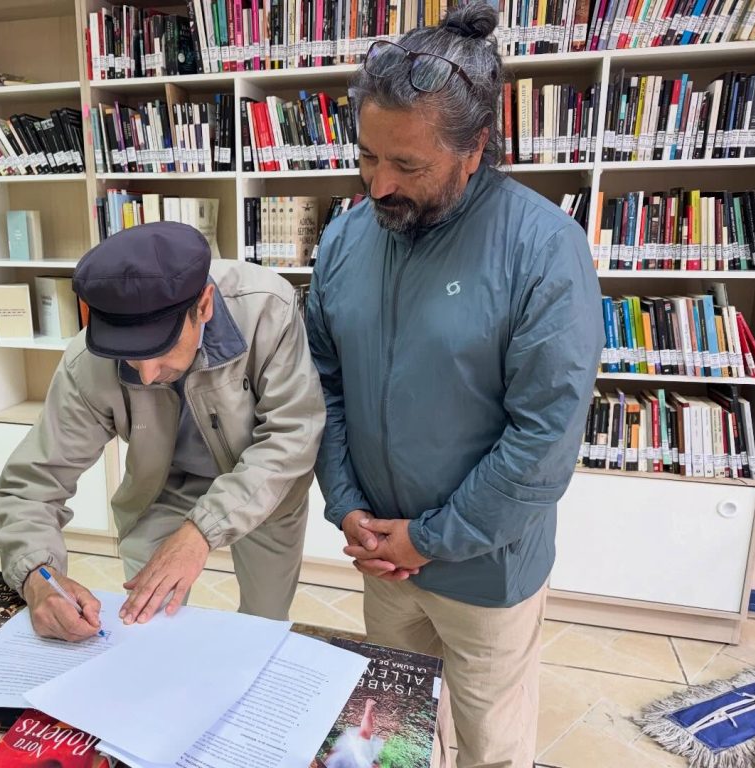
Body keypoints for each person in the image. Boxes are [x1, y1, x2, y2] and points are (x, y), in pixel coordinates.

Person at [306, 5, 605, 768]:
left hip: (486, 571)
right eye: (368, 156)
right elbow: (325, 387)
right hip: (381, 555)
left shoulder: (544, 249)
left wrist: (429, 539)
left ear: (474, 149)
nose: (379, 184)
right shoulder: (345, 239)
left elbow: (544, 437)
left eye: (408, 166)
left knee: (489, 748)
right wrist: (349, 509)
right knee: (392, 741)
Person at [0, 221, 325, 642]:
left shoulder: (266, 308)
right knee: (147, 623)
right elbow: (30, 487)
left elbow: (292, 434)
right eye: (130, 357)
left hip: (263, 482)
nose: (146, 376)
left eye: (160, 347)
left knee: (264, 623)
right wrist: (38, 578)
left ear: (204, 305)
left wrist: (200, 531)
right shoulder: (87, 362)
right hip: (164, 485)